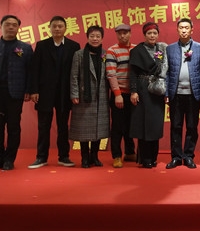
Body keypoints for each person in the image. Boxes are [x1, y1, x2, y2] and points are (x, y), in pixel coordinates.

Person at [0, 14, 33, 171]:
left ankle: (9, 159)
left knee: (14, 127)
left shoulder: (25, 48)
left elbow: (31, 71)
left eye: (14, 25)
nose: (10, 27)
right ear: (1, 26)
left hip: (15, 94)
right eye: (7, 24)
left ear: (18, 28)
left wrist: (28, 90)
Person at [29, 16, 80, 169]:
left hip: (65, 93)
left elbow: (77, 71)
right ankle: (41, 157)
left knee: (63, 126)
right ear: (49, 28)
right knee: (43, 126)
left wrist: (75, 92)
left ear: (65, 28)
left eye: (60, 26)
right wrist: (34, 90)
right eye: (54, 26)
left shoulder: (74, 46)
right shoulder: (42, 45)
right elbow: (34, 69)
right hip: (44, 92)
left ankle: (64, 156)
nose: (57, 28)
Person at [165, 18, 200, 169]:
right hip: (175, 94)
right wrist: (166, 93)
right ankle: (176, 157)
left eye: (186, 28)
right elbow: (167, 72)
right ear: (177, 29)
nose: (184, 30)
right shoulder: (170, 49)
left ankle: (188, 156)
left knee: (192, 126)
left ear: (192, 30)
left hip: (193, 94)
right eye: (181, 27)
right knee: (175, 126)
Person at [69, 25, 110, 168]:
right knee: (83, 129)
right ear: (87, 37)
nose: (95, 39)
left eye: (98, 36)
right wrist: (74, 94)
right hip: (84, 96)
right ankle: (85, 157)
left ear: (102, 38)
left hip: (101, 96)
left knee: (99, 128)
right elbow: (74, 76)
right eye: (92, 36)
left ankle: (95, 156)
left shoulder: (105, 54)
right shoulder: (79, 54)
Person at [129, 22, 168, 168]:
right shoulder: (137, 51)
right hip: (142, 89)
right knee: (143, 125)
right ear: (144, 35)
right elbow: (133, 73)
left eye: (154, 33)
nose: (152, 36)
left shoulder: (162, 49)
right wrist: (133, 91)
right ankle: (145, 158)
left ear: (158, 35)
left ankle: (153, 157)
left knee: (155, 125)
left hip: (157, 90)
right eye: (149, 33)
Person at [105, 23, 137, 168]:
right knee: (117, 126)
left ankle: (130, 152)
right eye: (120, 33)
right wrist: (117, 94)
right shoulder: (112, 51)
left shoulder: (137, 49)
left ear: (130, 33)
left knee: (131, 125)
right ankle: (117, 155)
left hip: (133, 94)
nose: (122, 36)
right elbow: (111, 74)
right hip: (119, 94)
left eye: (125, 33)